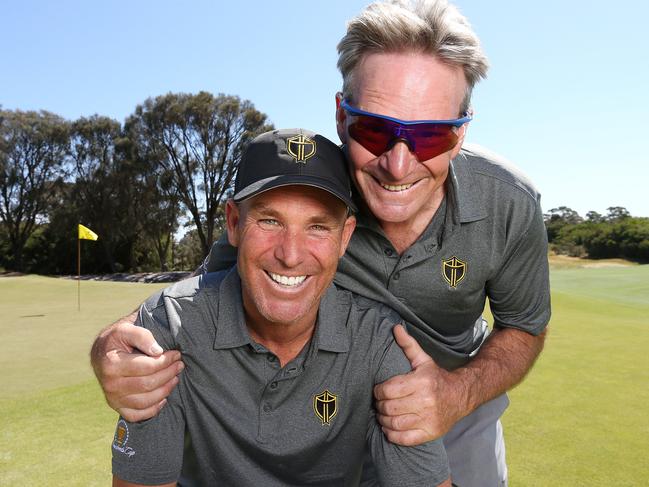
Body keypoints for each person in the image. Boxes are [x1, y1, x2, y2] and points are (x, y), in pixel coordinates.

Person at [93, 1, 550, 485]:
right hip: (347, 399)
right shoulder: (313, 190)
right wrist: (111, 349)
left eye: (431, 136)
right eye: (375, 129)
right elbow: (200, 298)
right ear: (342, 116)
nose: (397, 165)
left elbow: (524, 324)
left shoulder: (509, 201)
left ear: (460, 133)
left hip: (461, 388)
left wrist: (455, 394)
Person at [111, 128, 451, 486]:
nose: (290, 255)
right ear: (234, 223)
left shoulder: (380, 339)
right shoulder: (170, 327)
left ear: (345, 237)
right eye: (270, 221)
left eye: (317, 227)